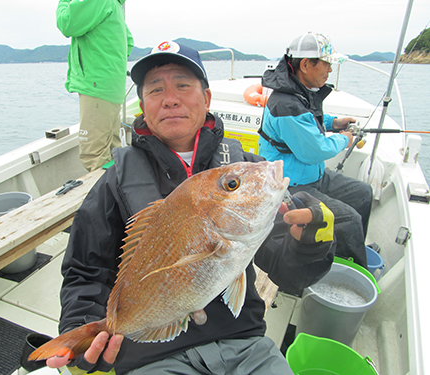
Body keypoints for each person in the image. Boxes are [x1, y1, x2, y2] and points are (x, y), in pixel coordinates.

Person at [47, 41, 336, 375]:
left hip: (247, 346)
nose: (170, 98)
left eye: (183, 85)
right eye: (156, 89)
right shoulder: (115, 182)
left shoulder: (243, 170)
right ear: (143, 106)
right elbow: (85, 271)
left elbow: (289, 274)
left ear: (207, 99)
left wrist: (309, 245)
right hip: (153, 357)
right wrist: (85, 326)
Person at [258, 32, 372, 267]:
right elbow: (315, 151)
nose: (330, 70)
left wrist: (334, 122)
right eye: (327, 64)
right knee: (350, 219)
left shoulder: (299, 91)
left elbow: (310, 117)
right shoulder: (286, 105)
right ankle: (349, 267)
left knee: (363, 193)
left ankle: (345, 248)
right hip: (295, 184)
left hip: (313, 175)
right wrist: (346, 139)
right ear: (306, 64)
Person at [57, 0, 134, 172]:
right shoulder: (114, 5)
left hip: (96, 86)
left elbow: (67, 23)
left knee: (94, 155)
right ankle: (119, 194)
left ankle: (106, 197)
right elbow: (128, 41)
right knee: (113, 150)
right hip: (112, 87)